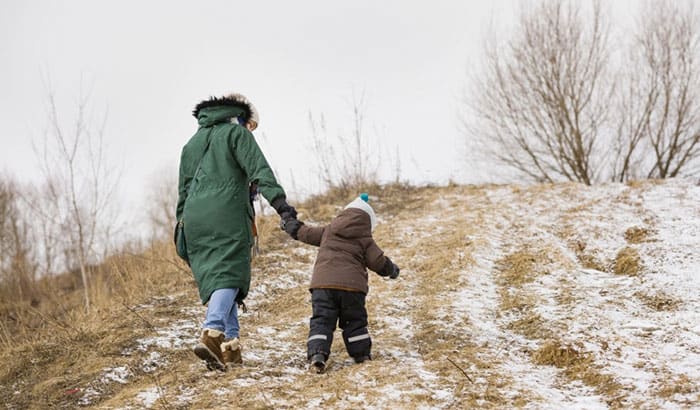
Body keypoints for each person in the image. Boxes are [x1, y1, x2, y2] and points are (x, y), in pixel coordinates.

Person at [176, 93, 297, 371]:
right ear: (242, 118)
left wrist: (179, 229)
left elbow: (182, 192)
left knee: (220, 277)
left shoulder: (191, 144)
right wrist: (282, 206)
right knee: (231, 273)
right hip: (227, 214)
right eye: (251, 126)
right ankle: (213, 332)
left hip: (193, 220)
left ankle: (230, 347)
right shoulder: (237, 135)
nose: (251, 132)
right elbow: (259, 170)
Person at [283, 193, 400, 373]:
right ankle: (361, 355)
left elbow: (304, 232)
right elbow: (378, 262)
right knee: (354, 321)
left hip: (323, 286)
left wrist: (290, 224)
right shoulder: (365, 240)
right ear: (368, 222)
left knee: (321, 320)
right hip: (352, 288)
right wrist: (391, 270)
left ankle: (318, 355)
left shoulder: (328, 231)